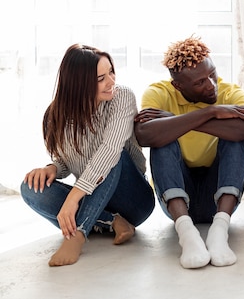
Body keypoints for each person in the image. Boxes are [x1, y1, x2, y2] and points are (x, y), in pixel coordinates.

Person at [21, 44, 155, 267]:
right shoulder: (56, 115)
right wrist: (52, 169)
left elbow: (110, 151)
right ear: (78, 84)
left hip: (134, 199)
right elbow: (68, 160)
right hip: (93, 200)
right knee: (30, 188)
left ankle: (79, 234)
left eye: (111, 72)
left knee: (114, 156)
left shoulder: (122, 98)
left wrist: (73, 199)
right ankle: (110, 221)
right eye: (101, 78)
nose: (111, 81)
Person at [134, 36, 244, 269]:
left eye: (212, 74)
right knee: (162, 140)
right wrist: (211, 113)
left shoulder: (230, 92)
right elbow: (144, 135)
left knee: (236, 138)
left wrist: (178, 120)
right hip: (178, 200)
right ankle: (187, 234)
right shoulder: (159, 92)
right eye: (200, 83)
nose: (211, 85)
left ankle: (219, 232)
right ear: (179, 86)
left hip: (220, 197)